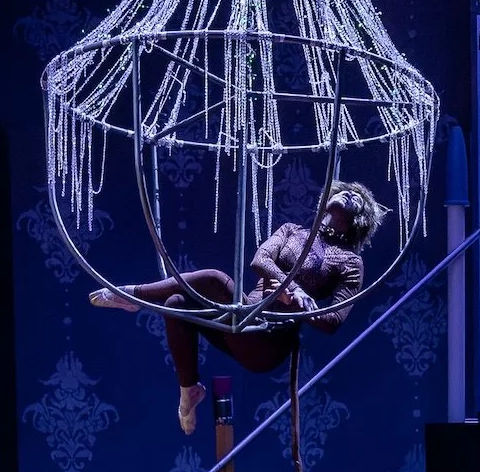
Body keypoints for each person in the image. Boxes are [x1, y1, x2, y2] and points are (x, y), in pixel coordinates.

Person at [90, 183, 383, 434]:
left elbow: (333, 321)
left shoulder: (350, 262)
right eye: (345, 191)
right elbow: (260, 260)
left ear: (360, 219)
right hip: (244, 315)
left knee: (215, 279)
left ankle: (132, 295)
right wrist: (291, 288)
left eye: (356, 199)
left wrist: (294, 304)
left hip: (268, 340)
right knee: (176, 304)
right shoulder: (292, 231)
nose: (348, 195)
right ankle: (189, 389)